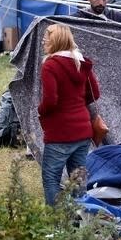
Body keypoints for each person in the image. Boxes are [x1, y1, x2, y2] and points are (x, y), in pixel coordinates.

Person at [38, 23, 100, 206]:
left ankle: (57, 223)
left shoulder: (50, 65)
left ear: (56, 41)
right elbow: (94, 93)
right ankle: (81, 220)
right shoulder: (80, 62)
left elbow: (51, 100)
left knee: (51, 177)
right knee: (78, 179)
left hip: (60, 132)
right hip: (83, 130)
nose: (43, 41)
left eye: (46, 38)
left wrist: (40, 110)